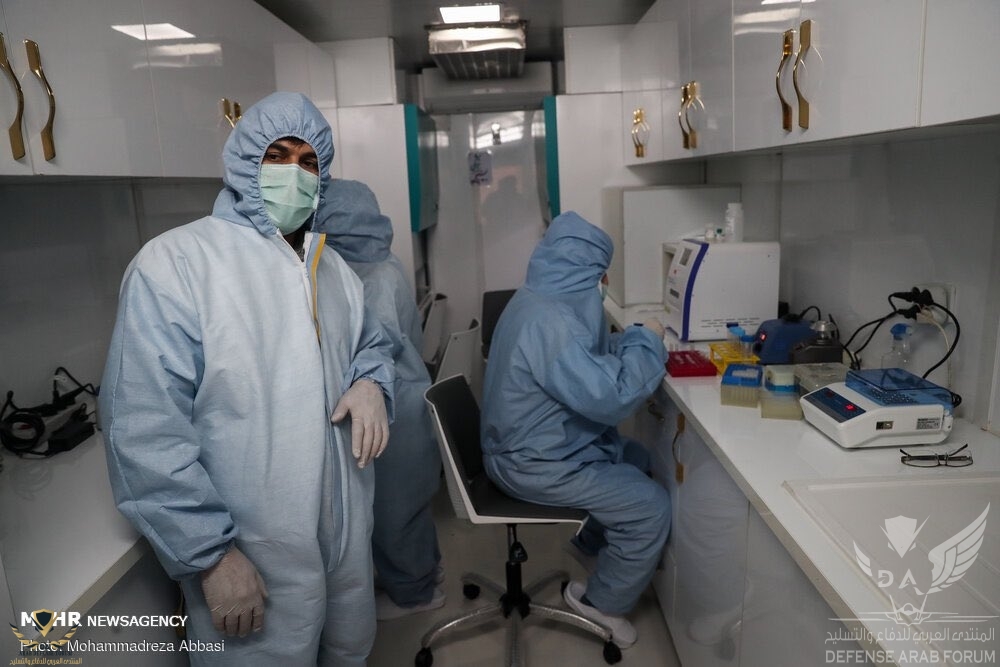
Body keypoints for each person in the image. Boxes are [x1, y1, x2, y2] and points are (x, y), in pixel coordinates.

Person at [99, 92, 395, 666]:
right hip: (252, 556)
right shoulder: (177, 265)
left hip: (345, 546)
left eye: (308, 161)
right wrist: (211, 557)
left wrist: (371, 382)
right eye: (276, 156)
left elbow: (371, 344)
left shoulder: (333, 269)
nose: (293, 174)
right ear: (241, 161)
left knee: (349, 653)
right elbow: (143, 431)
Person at [479, 211, 671, 649]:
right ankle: (603, 604)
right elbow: (613, 396)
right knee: (651, 507)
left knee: (636, 457)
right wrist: (648, 342)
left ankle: (590, 546)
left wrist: (634, 339)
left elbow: (584, 355)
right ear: (588, 272)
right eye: (603, 274)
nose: (605, 283)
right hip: (533, 463)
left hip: (528, 448)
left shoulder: (538, 298)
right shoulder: (553, 322)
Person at [315, 178, 445, 620]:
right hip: (410, 399)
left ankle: (417, 595)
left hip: (395, 413)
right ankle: (426, 574)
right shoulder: (383, 259)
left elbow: (376, 349)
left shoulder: (365, 279)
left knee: (394, 513)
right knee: (410, 510)